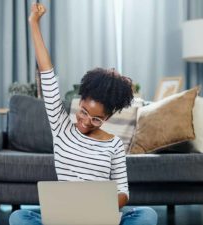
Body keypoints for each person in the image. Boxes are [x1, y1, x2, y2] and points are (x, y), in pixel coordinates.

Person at [9, 3, 158, 225]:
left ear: (107, 118)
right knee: (19, 217)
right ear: (80, 101)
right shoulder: (61, 127)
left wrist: (99, 207)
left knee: (147, 215)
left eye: (96, 118)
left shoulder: (114, 144)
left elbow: (123, 192)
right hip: (65, 217)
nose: (86, 122)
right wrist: (34, 23)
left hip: (100, 218)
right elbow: (47, 73)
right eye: (84, 111)